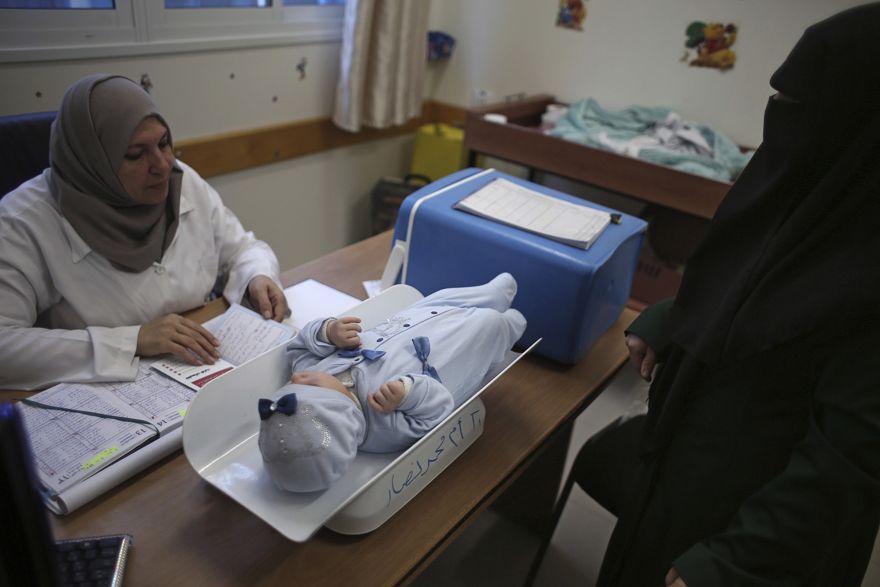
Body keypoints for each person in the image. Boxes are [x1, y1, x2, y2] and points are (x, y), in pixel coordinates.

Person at [575, 6, 880, 586]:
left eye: (803, 105)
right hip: (679, 470)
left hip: (754, 538)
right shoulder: (799, 196)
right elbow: (740, 283)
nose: (781, 118)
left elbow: (850, 462)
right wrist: (671, 317)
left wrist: (732, 563)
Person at [0, 74, 289, 391]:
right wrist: (131, 340)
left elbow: (242, 249)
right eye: (136, 154)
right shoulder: (23, 222)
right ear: (94, 162)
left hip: (200, 366)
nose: (163, 165)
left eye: (164, 143)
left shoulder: (181, 182)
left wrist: (256, 276)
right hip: (104, 392)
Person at [257, 273, 526, 493]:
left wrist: (328, 332)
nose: (298, 377)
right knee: (487, 327)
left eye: (289, 386)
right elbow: (436, 412)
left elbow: (298, 348)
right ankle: (509, 327)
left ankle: (490, 294)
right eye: (311, 387)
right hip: (449, 352)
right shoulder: (382, 429)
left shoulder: (310, 371)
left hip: (408, 322)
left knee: (441, 300)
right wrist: (408, 392)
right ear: (344, 410)